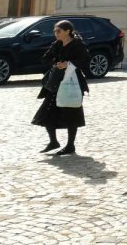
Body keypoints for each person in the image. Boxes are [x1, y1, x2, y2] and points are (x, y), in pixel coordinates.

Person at [32, 20, 90, 155]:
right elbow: (45, 58)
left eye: (58, 31)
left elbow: (86, 59)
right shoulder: (57, 44)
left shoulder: (77, 45)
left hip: (72, 82)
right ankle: (53, 141)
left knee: (71, 114)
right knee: (47, 111)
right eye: (54, 31)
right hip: (56, 82)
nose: (55, 33)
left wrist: (69, 64)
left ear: (67, 31)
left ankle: (70, 145)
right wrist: (55, 64)